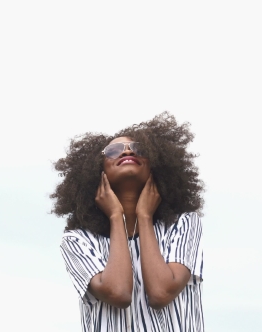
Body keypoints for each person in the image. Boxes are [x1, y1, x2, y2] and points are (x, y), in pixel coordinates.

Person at [51, 112, 205, 332]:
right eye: (113, 151)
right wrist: (116, 217)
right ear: (97, 171)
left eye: (139, 149)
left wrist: (144, 216)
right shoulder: (77, 240)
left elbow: (161, 293)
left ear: (157, 165)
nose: (128, 150)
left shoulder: (184, 224)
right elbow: (119, 293)